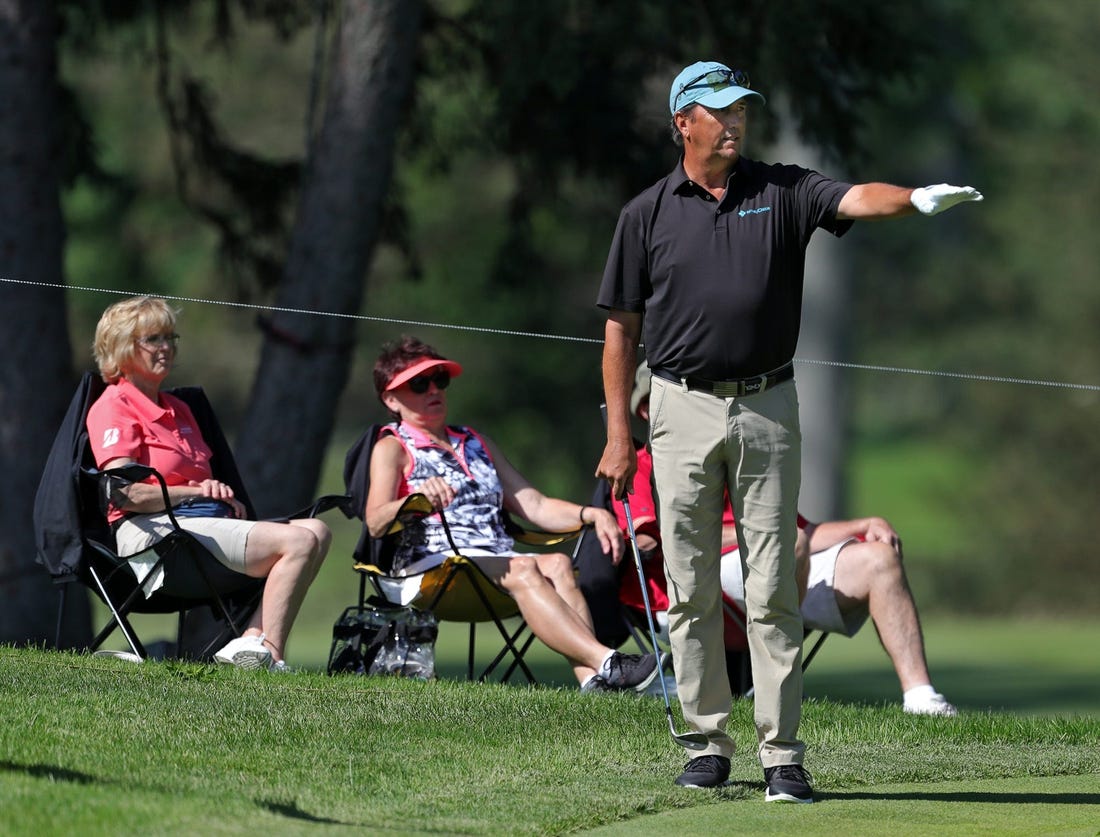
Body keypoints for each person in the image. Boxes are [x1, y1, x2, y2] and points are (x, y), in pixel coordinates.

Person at [595, 60, 982, 800]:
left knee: (773, 583)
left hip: (768, 405)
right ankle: (708, 741)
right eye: (719, 111)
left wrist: (916, 199)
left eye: (742, 109)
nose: (735, 121)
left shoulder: (782, 189)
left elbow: (856, 197)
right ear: (684, 121)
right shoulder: (645, 213)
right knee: (690, 584)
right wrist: (621, 432)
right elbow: (620, 332)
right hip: (678, 408)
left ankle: (782, 755)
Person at [608, 363, 957, 717]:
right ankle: (776, 686)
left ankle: (921, 698)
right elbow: (648, 541)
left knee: (878, 559)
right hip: (685, 591)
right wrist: (758, 536)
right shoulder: (638, 464)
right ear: (648, 410)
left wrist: (865, 525)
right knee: (787, 546)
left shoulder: (738, 459)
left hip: (768, 571)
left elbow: (800, 532)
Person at [365, 335, 659, 693]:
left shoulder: (475, 441)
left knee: (559, 565)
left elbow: (533, 505)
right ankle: (608, 660)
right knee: (525, 567)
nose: (433, 389)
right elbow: (376, 522)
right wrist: (415, 498)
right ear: (391, 398)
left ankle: (593, 684)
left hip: (493, 561)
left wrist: (591, 514)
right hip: (431, 570)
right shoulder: (392, 447)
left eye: (439, 379)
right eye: (419, 383)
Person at [85, 295, 332, 671]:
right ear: (120, 347)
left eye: (170, 337)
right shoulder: (113, 406)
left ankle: (251, 645)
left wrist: (219, 497)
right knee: (298, 541)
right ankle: (267, 654)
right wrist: (196, 492)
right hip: (151, 540)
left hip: (194, 531)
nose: (166, 347)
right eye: (153, 339)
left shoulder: (181, 408)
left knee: (318, 529)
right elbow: (125, 493)